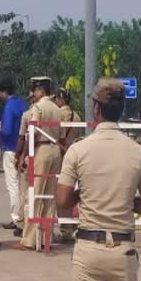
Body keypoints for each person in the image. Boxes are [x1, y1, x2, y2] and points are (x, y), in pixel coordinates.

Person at [56, 78, 141, 281]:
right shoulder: (138, 153)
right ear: (122, 109)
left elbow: (62, 200)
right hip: (123, 249)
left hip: (89, 248)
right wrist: (126, 202)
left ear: (95, 109)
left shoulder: (79, 151)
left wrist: (83, 196)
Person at [18, 76, 63, 251]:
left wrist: (24, 155)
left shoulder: (38, 108)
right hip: (55, 151)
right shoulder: (57, 109)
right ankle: (46, 237)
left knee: (35, 193)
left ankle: (30, 239)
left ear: (40, 90)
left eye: (35, 90)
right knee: (50, 196)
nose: (33, 93)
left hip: (41, 150)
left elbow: (33, 132)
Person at [0, 78, 26, 230]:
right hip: (25, 149)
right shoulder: (22, 104)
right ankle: (22, 215)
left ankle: (16, 218)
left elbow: (6, 130)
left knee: (13, 184)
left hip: (10, 148)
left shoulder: (8, 106)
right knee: (23, 186)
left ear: (3, 92)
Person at [54, 87, 82, 242]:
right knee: (75, 192)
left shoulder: (58, 115)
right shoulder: (77, 116)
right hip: (75, 157)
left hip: (62, 157)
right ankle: (76, 225)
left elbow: (58, 137)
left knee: (62, 194)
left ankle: (65, 229)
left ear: (60, 99)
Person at [13, 90, 37, 237]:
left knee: (24, 191)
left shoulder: (28, 114)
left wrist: (19, 157)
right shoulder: (54, 112)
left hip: (30, 156)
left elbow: (23, 138)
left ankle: (23, 223)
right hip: (50, 156)